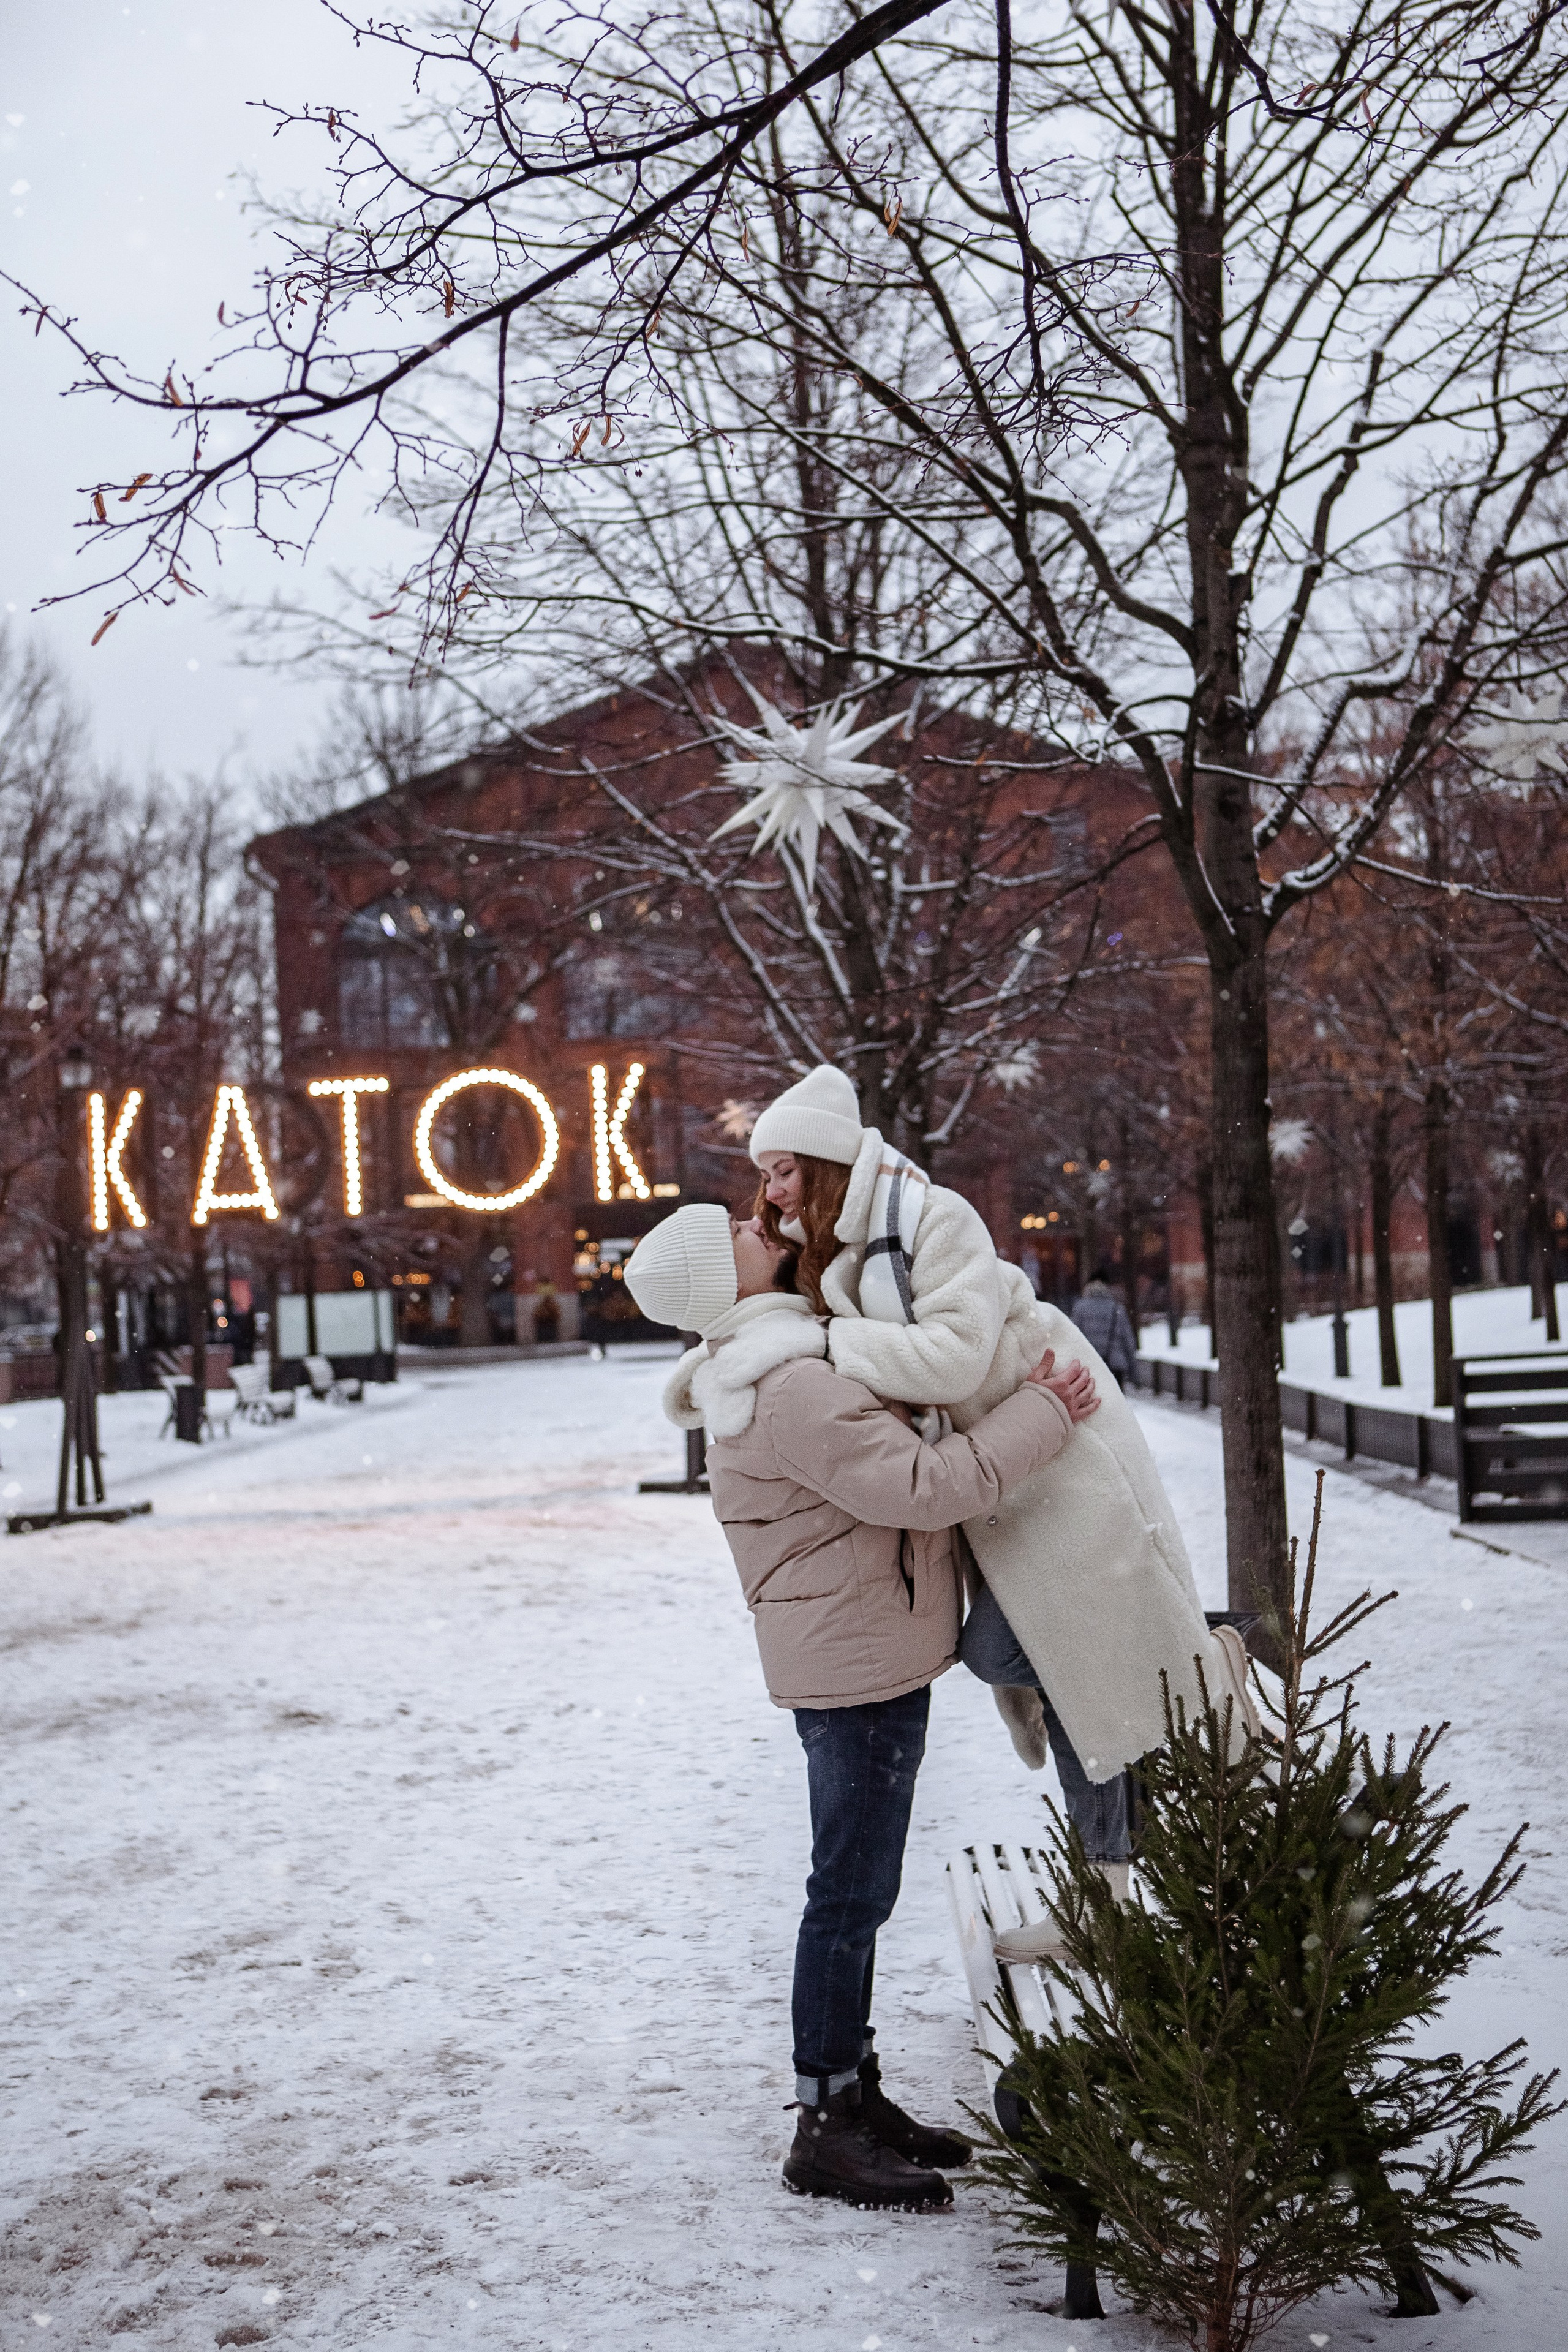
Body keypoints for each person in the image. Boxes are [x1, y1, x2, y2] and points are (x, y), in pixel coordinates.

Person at [623, 1200, 1098, 2210]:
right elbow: (925, 1487)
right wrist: (1044, 1412)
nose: (759, 1222)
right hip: (856, 1666)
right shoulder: (789, 1386)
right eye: (737, 1232)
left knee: (855, 1889)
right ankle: (824, 2128)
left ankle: (852, 2091)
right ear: (722, 1282)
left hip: (857, 1649)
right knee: (847, 1893)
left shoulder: (777, 1365)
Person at [747, 1065, 1257, 1958]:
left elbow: (951, 1359)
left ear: (825, 1162)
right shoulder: (835, 1252)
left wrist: (826, 1340)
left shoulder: (933, 1218)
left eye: (784, 1169)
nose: (772, 1190)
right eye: (766, 1174)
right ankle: (1113, 1866)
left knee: (1046, 1663)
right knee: (1058, 1670)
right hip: (1003, 1477)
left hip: (1058, 1451)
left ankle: (1187, 1671)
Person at [1070, 1271, 1138, 1388]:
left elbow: (1073, 1339)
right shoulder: (1117, 1308)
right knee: (1115, 1398)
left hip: (1090, 1366)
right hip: (1115, 1365)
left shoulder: (1080, 1308)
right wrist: (1134, 1373)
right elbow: (1128, 1341)